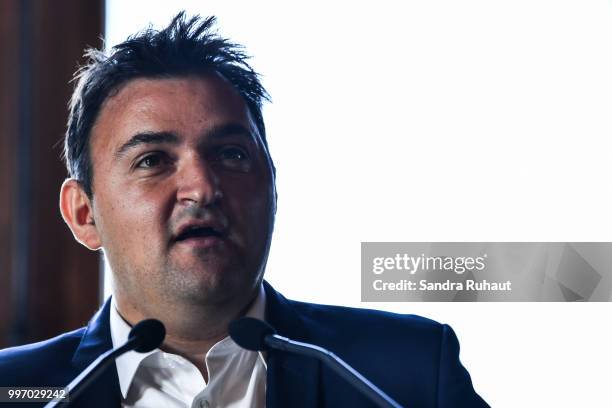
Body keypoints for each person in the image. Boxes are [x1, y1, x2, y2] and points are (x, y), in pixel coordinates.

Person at [0, 13, 489, 408]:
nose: (202, 186)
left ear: (273, 186)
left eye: (231, 154)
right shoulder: (18, 390)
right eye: (153, 160)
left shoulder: (406, 372)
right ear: (84, 215)